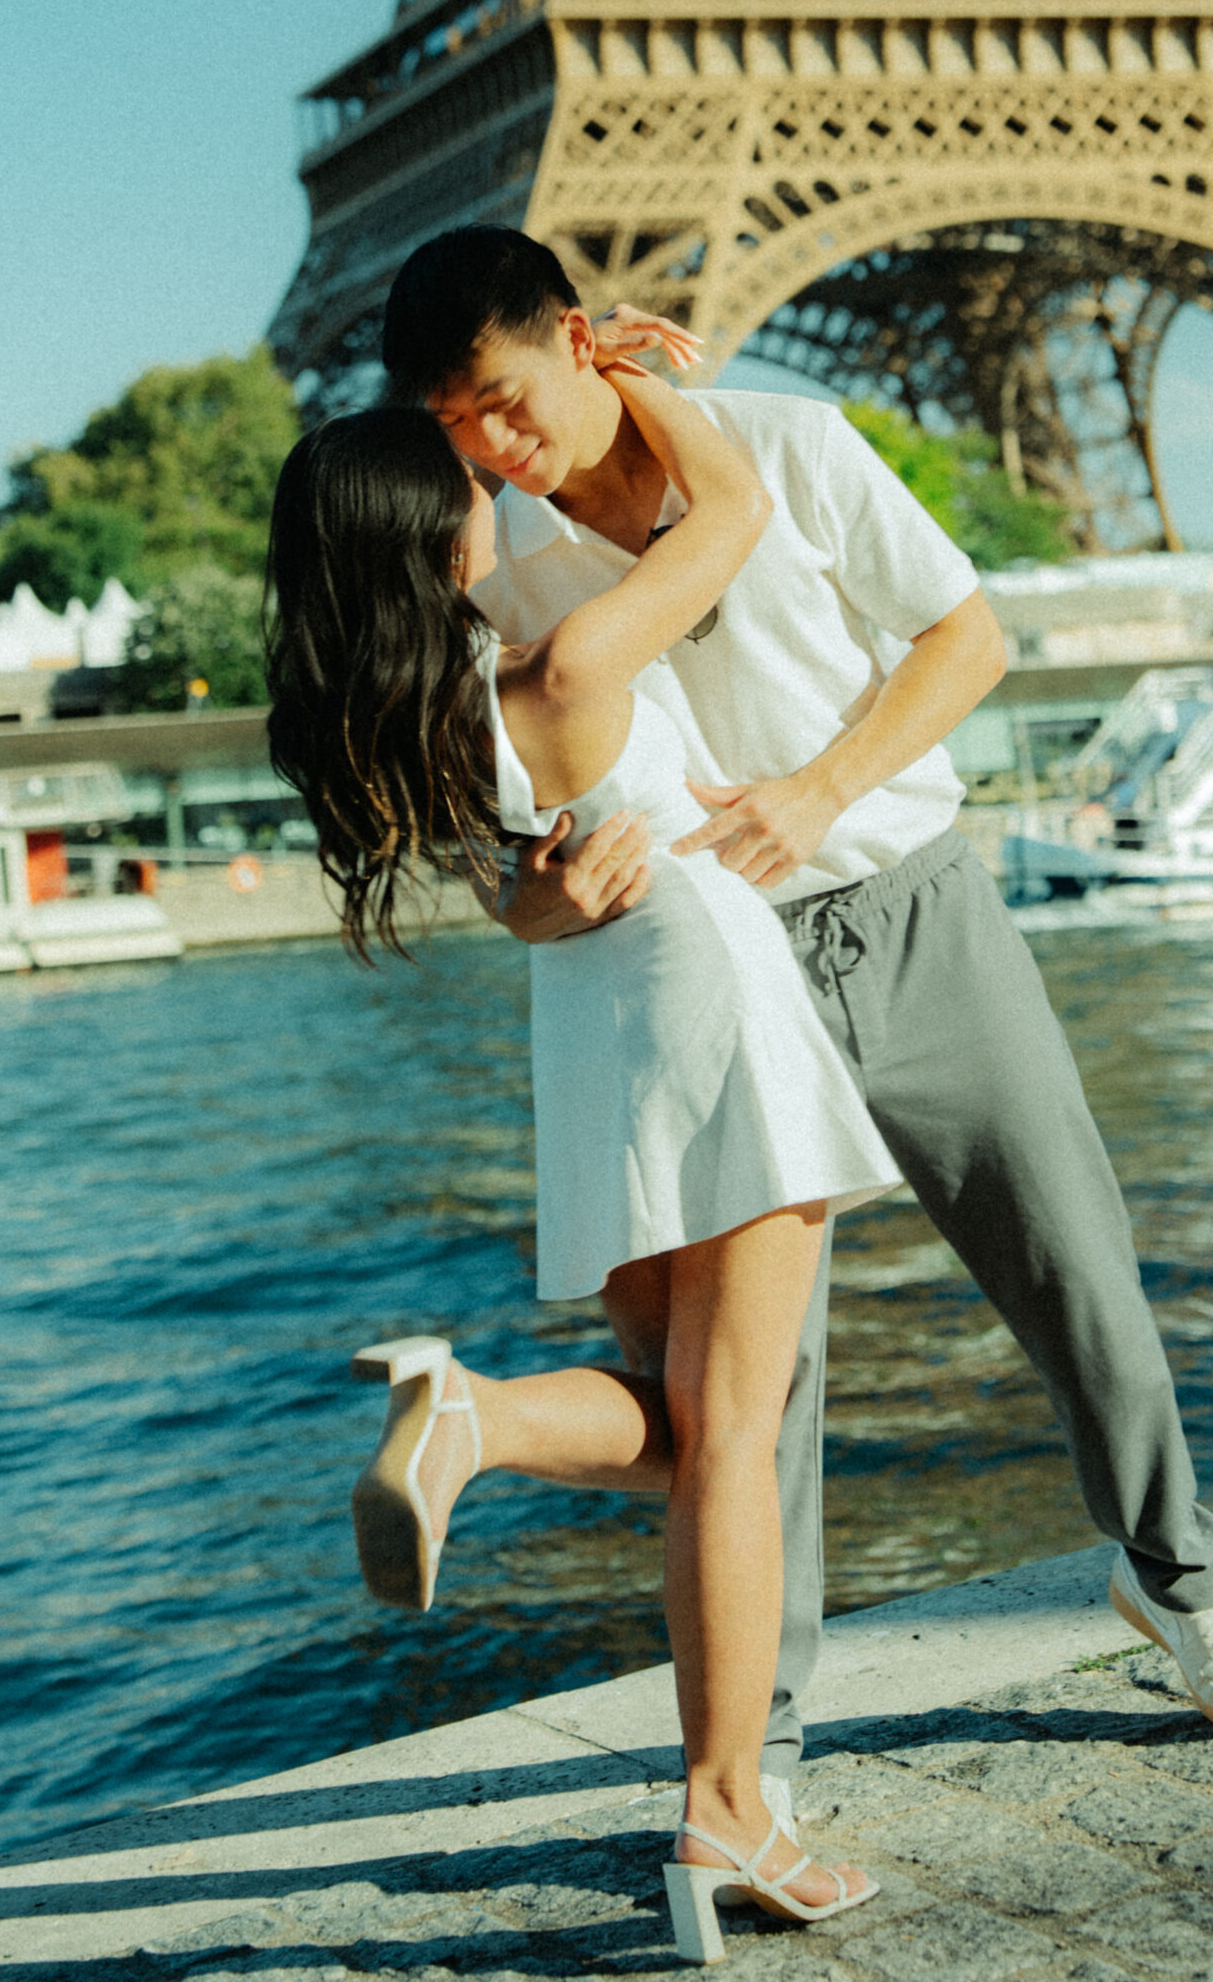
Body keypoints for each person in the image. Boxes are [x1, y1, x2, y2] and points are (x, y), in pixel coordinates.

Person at [383, 225, 1213, 1811]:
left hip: (909, 910)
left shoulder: (787, 444)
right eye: (454, 426)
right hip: (708, 975)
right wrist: (556, 901)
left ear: (580, 337)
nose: (490, 446)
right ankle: (768, 1744)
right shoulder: (497, 568)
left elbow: (971, 638)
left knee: (1074, 1266)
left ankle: (1178, 1577)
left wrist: (819, 790)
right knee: (744, 1399)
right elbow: (504, 886)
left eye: (503, 400)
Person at [265, 370, 898, 1955]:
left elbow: (519, 903)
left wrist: (551, 895)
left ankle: (476, 1427)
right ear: (435, 527)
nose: (492, 475)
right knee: (743, 1432)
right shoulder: (564, 660)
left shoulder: (421, 710)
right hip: (711, 989)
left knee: (693, 1443)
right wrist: (625, 383)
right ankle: (726, 1806)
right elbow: (739, 510)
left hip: (590, 1037)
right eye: (463, 472)